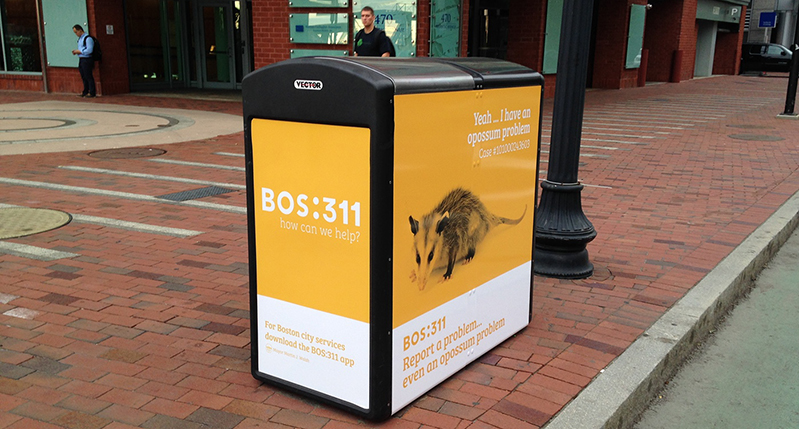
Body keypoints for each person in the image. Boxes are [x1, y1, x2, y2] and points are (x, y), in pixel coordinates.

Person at [71, 25, 96, 98]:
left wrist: (80, 51)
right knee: (83, 76)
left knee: (88, 76)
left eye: (76, 32)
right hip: (81, 59)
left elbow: (89, 50)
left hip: (87, 59)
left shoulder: (88, 38)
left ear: (80, 30)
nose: (76, 34)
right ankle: (85, 91)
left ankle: (92, 92)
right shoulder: (80, 39)